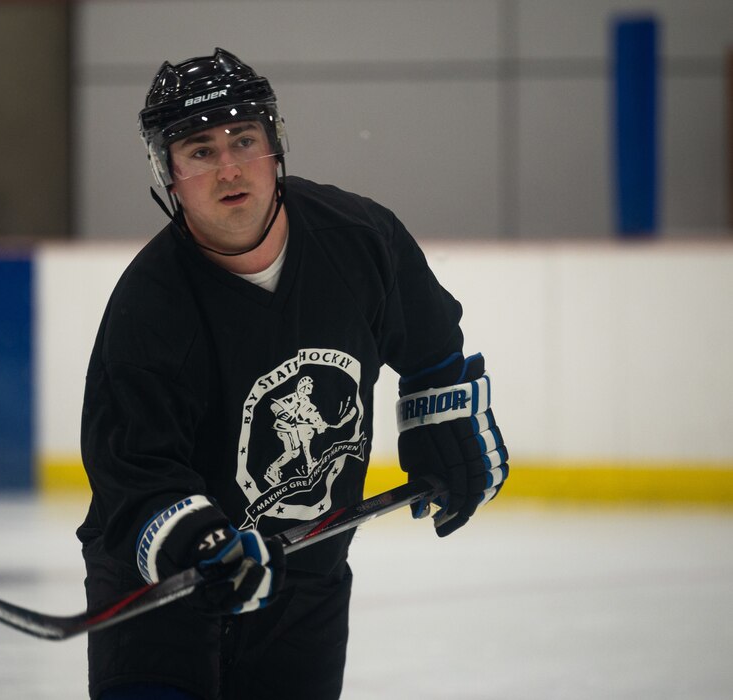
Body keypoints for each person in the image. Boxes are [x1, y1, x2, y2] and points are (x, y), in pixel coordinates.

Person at [76, 47, 509, 700]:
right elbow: (135, 473)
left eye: (243, 139)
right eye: (199, 150)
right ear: (167, 171)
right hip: (165, 592)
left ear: (275, 144)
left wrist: (445, 426)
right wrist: (203, 546)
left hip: (306, 580)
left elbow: (431, 347)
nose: (228, 168)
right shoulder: (149, 308)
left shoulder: (360, 240)